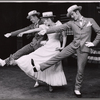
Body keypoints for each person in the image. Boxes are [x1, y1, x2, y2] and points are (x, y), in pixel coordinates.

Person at [32, 5, 100, 97]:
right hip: (73, 45)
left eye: (72, 14)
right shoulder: (72, 23)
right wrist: (47, 31)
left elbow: (99, 32)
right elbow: (60, 28)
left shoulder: (90, 20)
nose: (72, 17)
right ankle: (40, 67)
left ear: (77, 12)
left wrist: (94, 43)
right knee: (58, 56)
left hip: (84, 48)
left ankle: (77, 88)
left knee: (80, 70)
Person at [2, 11, 67, 92]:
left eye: (45, 20)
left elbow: (64, 36)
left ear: (49, 19)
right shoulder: (44, 26)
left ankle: (51, 84)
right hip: (46, 45)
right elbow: (33, 30)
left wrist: (62, 47)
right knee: (33, 57)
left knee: (51, 65)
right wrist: (23, 33)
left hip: (55, 47)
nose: (44, 22)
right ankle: (14, 61)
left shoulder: (59, 25)